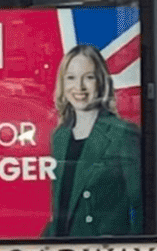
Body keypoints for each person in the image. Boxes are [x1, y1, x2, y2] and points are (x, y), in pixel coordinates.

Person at [41, 44, 142, 237]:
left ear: (101, 82)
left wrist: (126, 248)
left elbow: (144, 204)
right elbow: (63, 209)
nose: (79, 87)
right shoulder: (60, 137)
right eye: (71, 78)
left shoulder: (122, 134)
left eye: (88, 77)